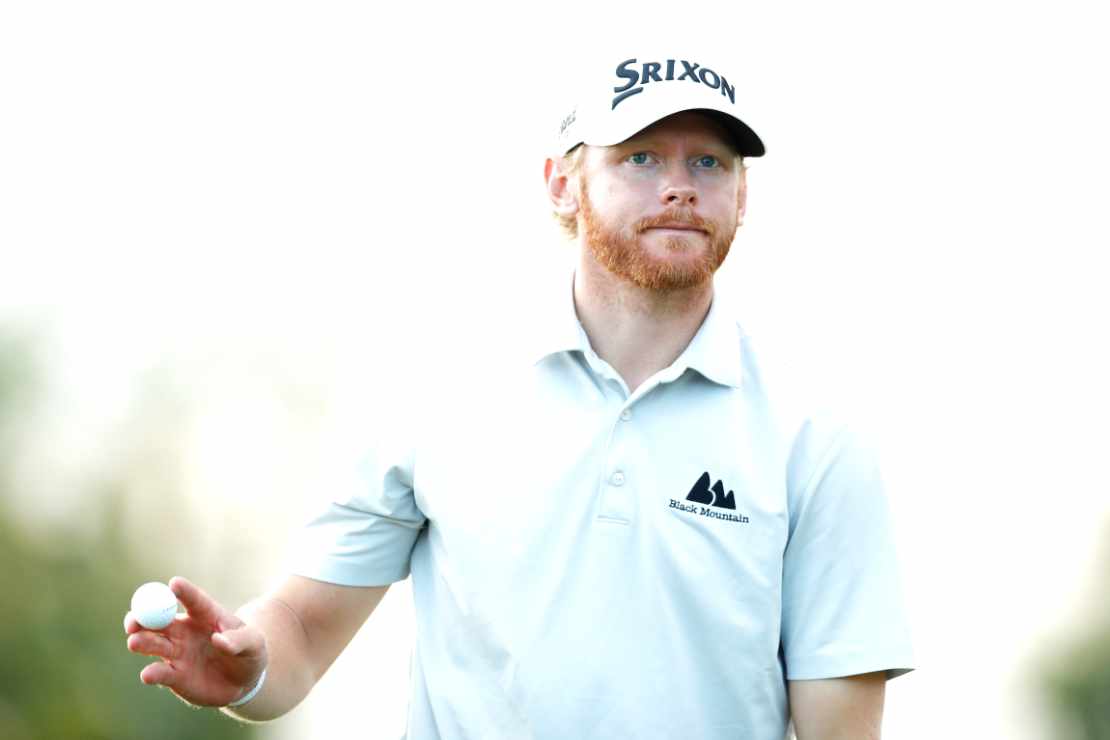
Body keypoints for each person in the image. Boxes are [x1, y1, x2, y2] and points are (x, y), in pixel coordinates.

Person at [124, 53, 914, 739]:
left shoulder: (817, 434)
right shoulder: (437, 385)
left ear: (743, 197)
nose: (679, 187)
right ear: (562, 184)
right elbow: (299, 629)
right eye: (640, 158)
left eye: (710, 163)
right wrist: (250, 668)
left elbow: (841, 729)